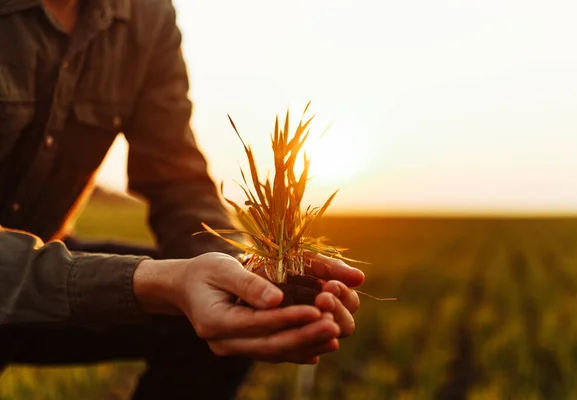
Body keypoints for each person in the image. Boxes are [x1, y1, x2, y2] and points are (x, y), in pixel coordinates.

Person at [0, 0, 365, 399]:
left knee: (228, 318)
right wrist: (156, 282)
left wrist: (241, 275)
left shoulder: (147, 15)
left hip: (44, 267)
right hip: (24, 275)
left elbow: (177, 180)